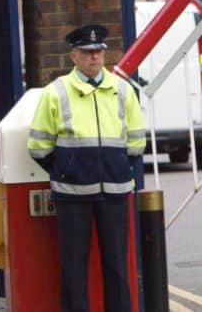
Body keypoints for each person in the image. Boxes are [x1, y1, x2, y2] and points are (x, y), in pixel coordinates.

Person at [27, 25, 146, 312]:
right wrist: (67, 170)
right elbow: (38, 147)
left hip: (116, 191)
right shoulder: (55, 93)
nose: (94, 57)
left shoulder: (123, 90)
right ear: (74, 56)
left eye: (99, 52)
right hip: (72, 194)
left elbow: (136, 142)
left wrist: (115, 167)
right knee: (73, 267)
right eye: (87, 52)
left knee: (118, 266)